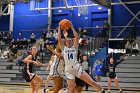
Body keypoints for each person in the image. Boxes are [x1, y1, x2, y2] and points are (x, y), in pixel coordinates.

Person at [58, 21, 105, 93]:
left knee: (92, 82)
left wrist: (72, 27)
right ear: (66, 43)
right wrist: (59, 28)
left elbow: (76, 37)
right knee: (71, 90)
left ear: (72, 42)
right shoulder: (64, 49)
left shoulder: (75, 48)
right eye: (67, 41)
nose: (68, 41)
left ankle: (102, 91)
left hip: (77, 68)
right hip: (68, 70)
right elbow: (59, 39)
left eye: (70, 40)